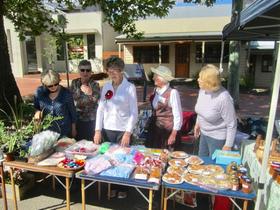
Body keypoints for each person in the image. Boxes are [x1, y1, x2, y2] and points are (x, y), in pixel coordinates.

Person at [93, 56, 138, 198]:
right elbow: (100, 109)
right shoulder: (106, 86)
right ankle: (111, 185)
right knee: (108, 158)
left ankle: (123, 188)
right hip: (107, 129)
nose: (112, 73)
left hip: (122, 130)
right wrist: (98, 130)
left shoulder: (129, 88)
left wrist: (128, 133)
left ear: (121, 71)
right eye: (109, 70)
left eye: (115, 70)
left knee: (122, 160)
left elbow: (134, 112)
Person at [194, 64, 237, 157]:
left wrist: (228, 145)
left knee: (214, 167)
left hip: (217, 137)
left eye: (200, 78)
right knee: (201, 161)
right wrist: (198, 124)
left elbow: (232, 123)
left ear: (209, 82)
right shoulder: (202, 90)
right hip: (203, 133)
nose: (197, 80)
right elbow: (200, 111)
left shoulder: (224, 98)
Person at [146, 65, 183, 150]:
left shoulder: (173, 92)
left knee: (167, 157)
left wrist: (173, 134)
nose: (153, 78)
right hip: (156, 129)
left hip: (167, 131)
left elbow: (178, 116)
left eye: (155, 76)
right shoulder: (156, 90)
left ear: (162, 79)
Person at [34, 70, 77, 138]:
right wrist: (37, 113)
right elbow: (37, 107)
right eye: (50, 86)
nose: (54, 87)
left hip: (64, 131)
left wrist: (74, 129)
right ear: (44, 84)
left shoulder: (66, 93)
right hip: (47, 131)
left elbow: (72, 113)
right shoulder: (39, 92)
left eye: (56, 84)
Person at [71, 60, 100, 140]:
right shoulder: (74, 83)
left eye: (88, 70)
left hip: (91, 121)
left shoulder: (95, 85)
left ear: (91, 72)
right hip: (78, 120)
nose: (85, 73)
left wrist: (89, 93)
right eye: (82, 70)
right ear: (79, 71)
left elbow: (95, 100)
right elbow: (71, 101)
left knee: (91, 146)